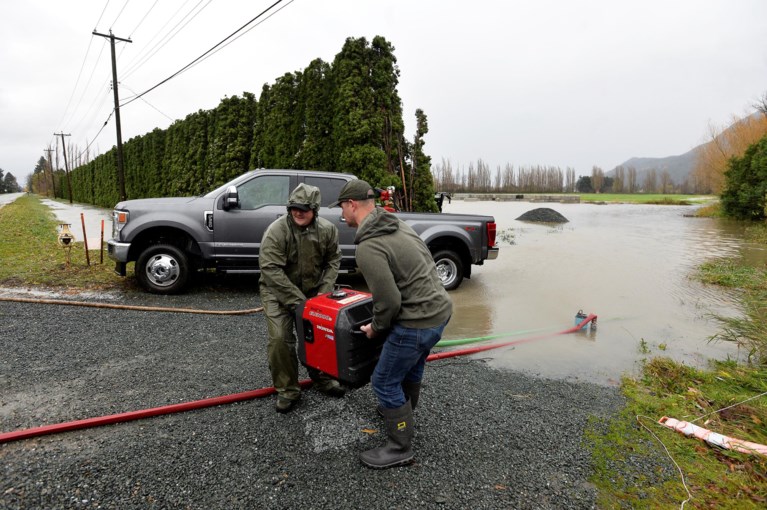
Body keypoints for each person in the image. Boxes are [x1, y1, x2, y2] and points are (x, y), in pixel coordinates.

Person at [330, 179, 452, 468]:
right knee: (412, 365)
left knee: (384, 381)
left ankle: (400, 446)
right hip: (440, 313)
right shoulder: (395, 224)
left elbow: (388, 302)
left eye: (342, 208)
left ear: (352, 204)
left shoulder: (369, 245)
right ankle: (403, 411)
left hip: (417, 321)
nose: (341, 215)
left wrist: (376, 327)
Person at [259, 183, 345, 413]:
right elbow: (270, 270)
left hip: (313, 293)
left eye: (304, 209)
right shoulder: (276, 231)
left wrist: (323, 293)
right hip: (277, 292)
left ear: (315, 210)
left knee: (320, 336)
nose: (298, 212)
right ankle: (288, 390)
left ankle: (323, 378)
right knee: (280, 339)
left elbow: (333, 260)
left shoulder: (328, 230)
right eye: (294, 207)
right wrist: (300, 304)